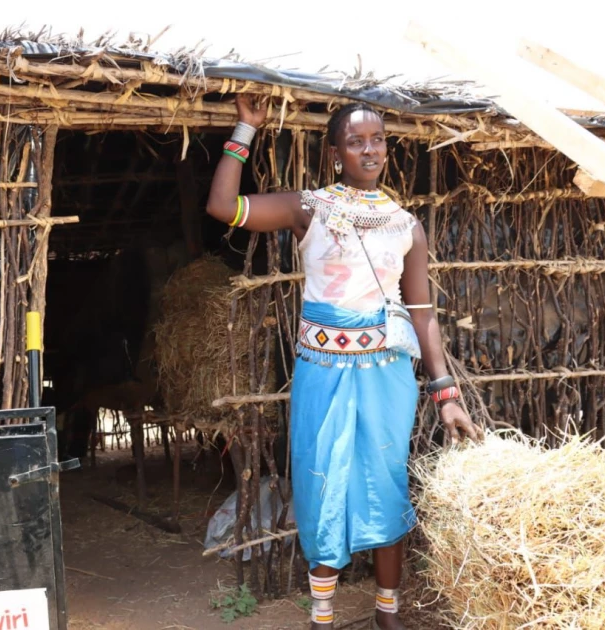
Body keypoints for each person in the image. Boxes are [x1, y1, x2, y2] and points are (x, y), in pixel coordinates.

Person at [206, 95, 484, 630]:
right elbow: (224, 207)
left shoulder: (406, 225)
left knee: (386, 484)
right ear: (336, 153)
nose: (369, 149)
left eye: (377, 139)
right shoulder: (308, 207)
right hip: (323, 372)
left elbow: (423, 315)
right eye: (355, 142)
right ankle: (323, 616)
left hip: (387, 376)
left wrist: (445, 393)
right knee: (321, 483)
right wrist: (246, 128)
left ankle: (387, 613)